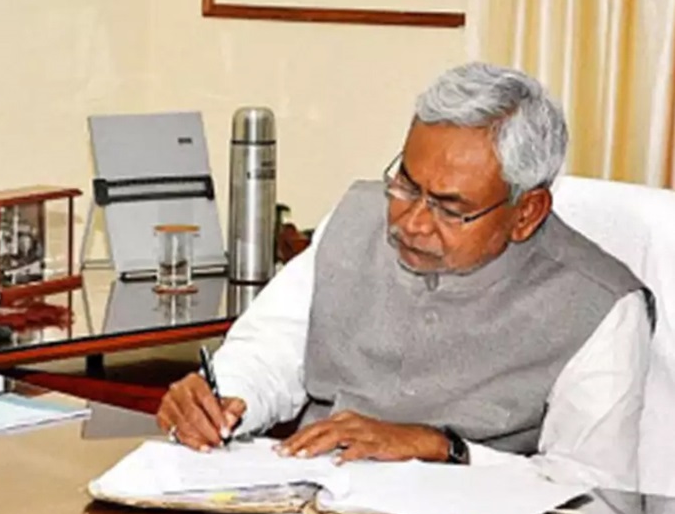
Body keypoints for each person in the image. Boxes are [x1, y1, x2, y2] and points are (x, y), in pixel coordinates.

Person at [156, 62, 654, 490]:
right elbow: (271, 350)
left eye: (450, 208)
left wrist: (444, 450)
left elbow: (597, 491)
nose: (412, 222)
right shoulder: (355, 220)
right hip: (320, 513)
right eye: (407, 186)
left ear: (527, 212)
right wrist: (222, 402)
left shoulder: (601, 306)